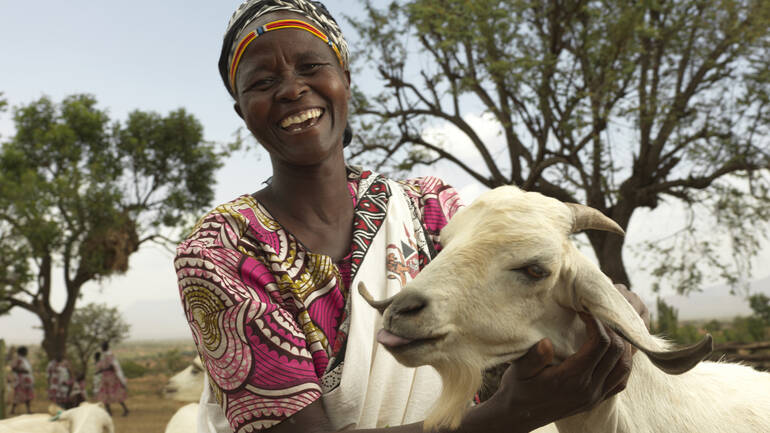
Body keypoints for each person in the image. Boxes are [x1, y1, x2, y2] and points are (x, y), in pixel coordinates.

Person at [174, 1, 649, 432]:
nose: (292, 89)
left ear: (344, 78)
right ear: (242, 111)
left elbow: (528, 307)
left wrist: (604, 309)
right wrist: (510, 415)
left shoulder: (433, 209)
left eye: (311, 66)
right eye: (262, 82)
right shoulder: (222, 252)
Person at [95, 342, 129, 416]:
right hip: (105, 378)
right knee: (105, 394)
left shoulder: (110, 356)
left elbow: (112, 366)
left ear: (106, 347)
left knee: (116, 394)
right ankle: (109, 411)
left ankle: (125, 409)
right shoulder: (105, 356)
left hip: (111, 378)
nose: (102, 348)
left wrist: (103, 370)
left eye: (103, 346)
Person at [10, 346, 34, 414]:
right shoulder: (18, 359)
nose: (26, 352)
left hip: (27, 381)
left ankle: (28, 410)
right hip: (21, 381)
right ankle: (12, 410)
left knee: (27, 395)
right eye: (25, 351)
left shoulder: (24, 359)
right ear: (21, 352)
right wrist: (23, 371)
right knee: (17, 395)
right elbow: (13, 368)